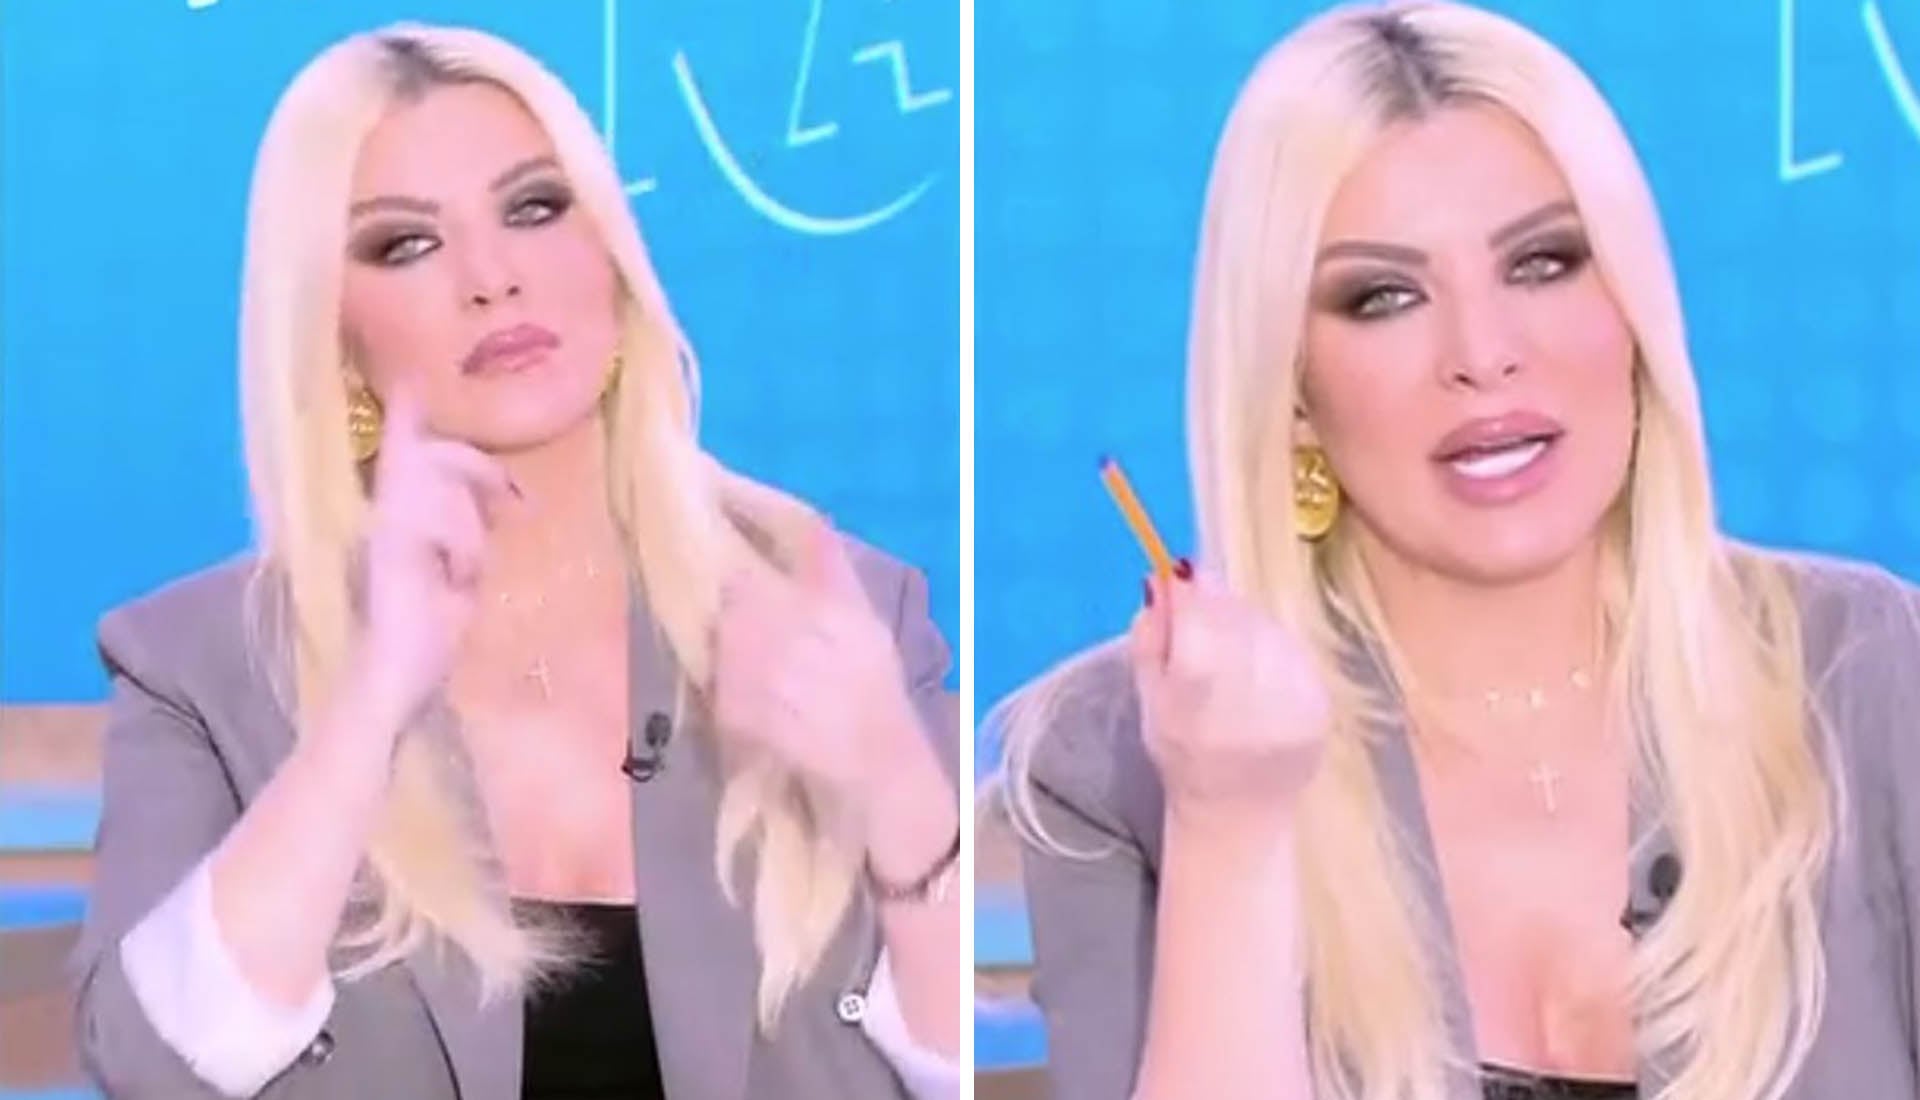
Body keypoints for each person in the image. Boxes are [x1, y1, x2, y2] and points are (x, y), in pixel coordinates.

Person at [995, 3, 1920, 1099]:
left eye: (1542, 262)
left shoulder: (1867, 672)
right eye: (1383, 296)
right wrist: (1229, 828)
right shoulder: (1109, 765)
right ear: (1291, 390)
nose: (1483, 354)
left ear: (1631, 311)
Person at [68, 24, 960, 1100]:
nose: (492, 279)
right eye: (406, 244)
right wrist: (370, 706)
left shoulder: (832, 605)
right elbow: (152, 1067)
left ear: (611, 257)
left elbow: (960, 1066)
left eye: (534, 209)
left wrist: (899, 790)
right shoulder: (198, 667)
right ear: (333, 332)